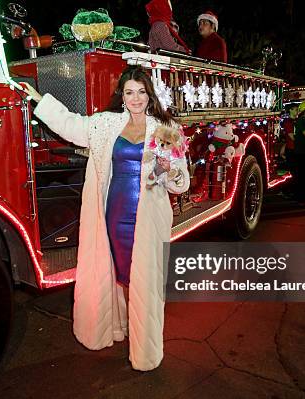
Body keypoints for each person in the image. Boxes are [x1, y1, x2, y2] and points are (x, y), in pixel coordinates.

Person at [21, 67, 190, 371]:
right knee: (120, 276)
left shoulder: (166, 128)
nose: (136, 98)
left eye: (141, 91)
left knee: (146, 282)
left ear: (148, 95)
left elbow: (182, 183)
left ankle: (146, 353)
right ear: (122, 96)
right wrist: (38, 99)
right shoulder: (106, 124)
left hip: (149, 220)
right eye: (129, 92)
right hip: (114, 215)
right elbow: (70, 124)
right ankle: (118, 327)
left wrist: (169, 170)